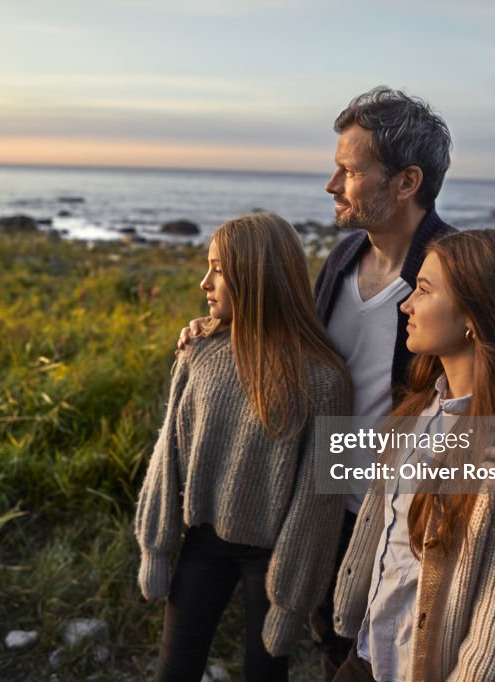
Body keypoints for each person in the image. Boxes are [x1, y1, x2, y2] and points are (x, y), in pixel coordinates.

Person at [180, 85, 495, 679]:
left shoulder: (457, 274)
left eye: (350, 171)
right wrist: (222, 325)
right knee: (342, 642)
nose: (332, 186)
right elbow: (293, 347)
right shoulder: (343, 256)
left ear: (406, 183)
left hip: (410, 516)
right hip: (326, 504)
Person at [332, 228, 495, 681]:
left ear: (476, 315)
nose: (404, 305)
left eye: (423, 291)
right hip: (367, 657)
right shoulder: (420, 408)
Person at [136, 212, 352, 681]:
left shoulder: (325, 379)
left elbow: (321, 500)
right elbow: (166, 456)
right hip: (203, 541)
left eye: (218, 269)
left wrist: (291, 601)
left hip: (273, 558)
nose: (203, 282)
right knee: (173, 671)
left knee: (265, 674)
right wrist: (156, 547)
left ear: (257, 277)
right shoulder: (200, 353)